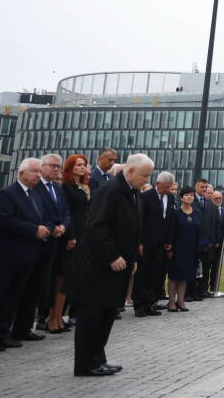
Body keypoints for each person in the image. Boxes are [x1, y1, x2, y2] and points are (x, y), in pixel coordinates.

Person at [65, 153, 151, 377]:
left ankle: (97, 358)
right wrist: (112, 256)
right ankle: (85, 364)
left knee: (106, 315)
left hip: (119, 268)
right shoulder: (110, 191)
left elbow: (132, 230)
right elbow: (96, 227)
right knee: (92, 316)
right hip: (98, 268)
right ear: (130, 172)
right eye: (144, 175)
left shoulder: (134, 193)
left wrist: (131, 259)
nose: (147, 180)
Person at [0, 157, 49, 353]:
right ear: (21, 173)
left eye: (39, 172)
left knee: (12, 298)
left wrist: (44, 228)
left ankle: (3, 333)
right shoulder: (7, 194)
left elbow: (39, 218)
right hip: (5, 256)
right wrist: (34, 230)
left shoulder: (35, 196)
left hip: (27, 256)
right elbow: (6, 220)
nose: (38, 175)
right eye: (34, 171)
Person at [24, 154, 69, 336]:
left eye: (58, 166)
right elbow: (37, 212)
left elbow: (66, 211)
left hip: (55, 243)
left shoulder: (57, 189)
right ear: (42, 167)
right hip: (38, 242)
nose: (56, 169)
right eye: (52, 166)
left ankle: (28, 325)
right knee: (30, 286)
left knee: (43, 285)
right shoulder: (35, 188)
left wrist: (63, 226)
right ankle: (22, 325)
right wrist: (52, 227)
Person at [50, 154, 89, 332]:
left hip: (82, 235)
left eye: (84, 165)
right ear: (70, 167)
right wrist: (71, 236)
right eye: (79, 165)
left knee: (68, 280)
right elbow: (68, 213)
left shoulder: (82, 187)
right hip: (70, 237)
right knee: (61, 279)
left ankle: (59, 318)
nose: (82, 167)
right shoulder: (66, 187)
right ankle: (53, 319)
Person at [135, 171, 176, 317]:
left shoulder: (170, 197)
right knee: (142, 274)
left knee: (155, 274)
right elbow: (140, 220)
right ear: (157, 183)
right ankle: (139, 305)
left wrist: (169, 241)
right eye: (165, 187)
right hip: (146, 243)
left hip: (161, 243)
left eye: (169, 187)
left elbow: (170, 220)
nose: (167, 190)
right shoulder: (146, 196)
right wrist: (139, 242)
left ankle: (151, 303)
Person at [166, 187, 200, 313]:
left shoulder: (196, 213)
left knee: (185, 276)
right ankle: (171, 302)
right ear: (181, 198)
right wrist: (170, 248)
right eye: (186, 195)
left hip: (191, 249)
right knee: (174, 276)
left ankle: (181, 300)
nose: (189, 197)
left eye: (192, 195)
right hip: (177, 249)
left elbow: (198, 232)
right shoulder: (176, 213)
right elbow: (171, 231)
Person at [191, 179, 219, 298]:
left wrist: (213, 240)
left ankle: (203, 290)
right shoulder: (190, 202)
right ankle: (191, 291)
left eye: (205, 187)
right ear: (196, 187)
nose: (204, 189)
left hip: (207, 244)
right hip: (193, 243)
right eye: (202, 187)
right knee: (192, 267)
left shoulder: (211, 205)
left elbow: (215, 224)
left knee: (206, 267)